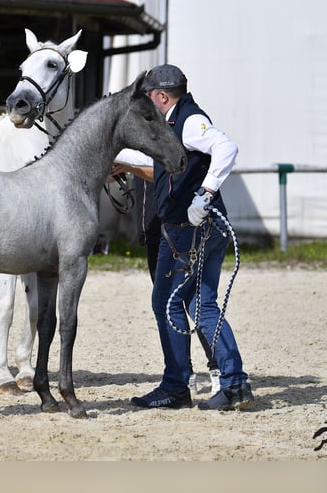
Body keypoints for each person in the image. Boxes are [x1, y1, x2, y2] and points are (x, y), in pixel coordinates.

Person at [121, 63, 253, 411]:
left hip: (187, 229)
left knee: (165, 303)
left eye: (150, 98)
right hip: (205, 228)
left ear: (161, 96)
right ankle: (235, 384)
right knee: (201, 304)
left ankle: (176, 385)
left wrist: (205, 193)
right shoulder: (175, 125)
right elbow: (164, 167)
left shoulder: (190, 122)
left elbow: (227, 147)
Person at [111, 153, 220, 394]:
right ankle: (185, 372)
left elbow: (162, 172)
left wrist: (129, 167)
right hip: (152, 227)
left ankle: (216, 368)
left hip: (173, 226)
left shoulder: (171, 132)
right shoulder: (140, 137)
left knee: (192, 301)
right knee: (171, 304)